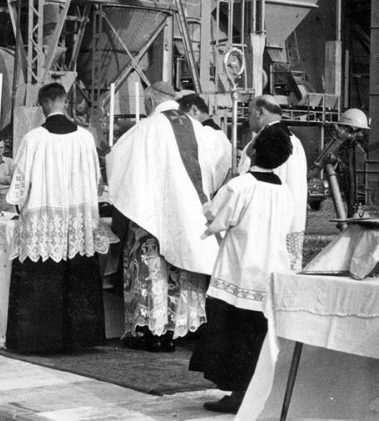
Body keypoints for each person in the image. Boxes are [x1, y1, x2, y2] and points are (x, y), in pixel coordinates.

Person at [106, 81, 229, 352]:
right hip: (187, 214)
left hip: (151, 217)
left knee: (152, 272)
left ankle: (152, 333)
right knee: (179, 270)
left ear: (150, 102)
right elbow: (222, 158)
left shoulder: (144, 130)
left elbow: (115, 162)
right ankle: (175, 330)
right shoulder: (199, 128)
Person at [190, 124, 295, 414]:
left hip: (240, 269)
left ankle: (239, 395)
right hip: (269, 273)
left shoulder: (240, 185)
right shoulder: (284, 191)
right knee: (255, 336)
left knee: (235, 336)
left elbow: (215, 216)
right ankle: (253, 393)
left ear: (255, 149)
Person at [5, 82, 111, 353]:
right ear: (65, 102)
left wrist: (18, 206)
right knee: (77, 273)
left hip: (44, 221)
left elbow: (20, 184)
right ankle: (80, 339)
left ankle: (38, 339)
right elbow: (97, 181)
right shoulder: (85, 138)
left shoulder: (33, 138)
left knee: (43, 277)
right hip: (78, 221)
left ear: (42, 105)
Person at [237, 95, 307, 271]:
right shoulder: (295, 141)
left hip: (264, 224)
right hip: (291, 220)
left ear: (260, 112)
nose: (247, 118)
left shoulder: (260, 142)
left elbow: (246, 184)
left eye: (249, 113)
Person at [178, 93, 232, 195]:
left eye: (184, 117)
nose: (183, 123)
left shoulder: (205, 134)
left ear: (194, 110)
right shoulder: (221, 135)